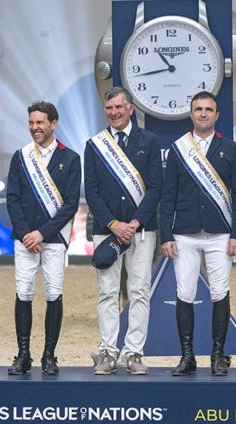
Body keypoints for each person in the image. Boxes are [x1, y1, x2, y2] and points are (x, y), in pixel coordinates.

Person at [159, 91, 236, 377]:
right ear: (191, 113)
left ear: (217, 115)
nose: (204, 114)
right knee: (185, 293)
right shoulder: (178, 148)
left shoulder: (230, 148)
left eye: (209, 109)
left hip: (221, 232)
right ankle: (187, 356)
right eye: (198, 109)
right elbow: (167, 195)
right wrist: (166, 235)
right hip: (184, 233)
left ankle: (218, 355)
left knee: (220, 292)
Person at [84, 87, 162, 375]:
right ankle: (107, 351)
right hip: (107, 231)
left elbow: (156, 187)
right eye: (109, 109)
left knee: (139, 291)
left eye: (119, 107)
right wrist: (114, 224)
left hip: (141, 231)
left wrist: (135, 222)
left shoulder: (149, 141)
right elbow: (91, 191)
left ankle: (133, 352)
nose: (114, 113)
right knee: (107, 292)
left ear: (130, 108)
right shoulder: (95, 145)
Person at [5, 101, 81, 376]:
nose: (35, 128)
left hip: (54, 239)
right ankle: (23, 354)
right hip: (25, 239)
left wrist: (42, 233)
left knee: (53, 294)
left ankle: (49, 355)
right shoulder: (20, 156)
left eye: (40, 123)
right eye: (31, 123)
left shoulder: (71, 158)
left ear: (53, 123)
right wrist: (27, 233)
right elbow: (12, 199)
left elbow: (70, 204)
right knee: (23, 293)